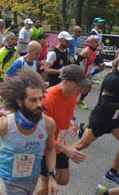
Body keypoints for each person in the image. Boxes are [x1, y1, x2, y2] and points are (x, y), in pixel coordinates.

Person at [0, 70, 58, 195]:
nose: (39, 104)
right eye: (33, 100)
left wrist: (52, 176)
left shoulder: (48, 124)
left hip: (32, 176)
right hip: (9, 177)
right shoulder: (5, 124)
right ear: (19, 102)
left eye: (41, 99)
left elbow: (50, 149)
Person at [75, 48, 119, 186]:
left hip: (114, 118)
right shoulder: (112, 79)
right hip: (101, 119)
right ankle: (56, 160)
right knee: (81, 145)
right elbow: (104, 105)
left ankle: (112, 173)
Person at [36, 65, 89, 195]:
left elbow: (68, 111)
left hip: (60, 145)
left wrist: (72, 121)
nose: (81, 89)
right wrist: (66, 149)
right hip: (45, 150)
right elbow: (39, 134)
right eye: (79, 85)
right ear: (65, 82)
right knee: (46, 186)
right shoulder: (47, 99)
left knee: (64, 180)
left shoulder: (72, 94)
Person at [76, 35, 99, 110]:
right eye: (94, 42)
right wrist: (80, 74)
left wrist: (89, 73)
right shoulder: (86, 51)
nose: (96, 43)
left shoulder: (93, 51)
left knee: (87, 87)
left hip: (86, 73)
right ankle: (75, 101)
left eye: (97, 42)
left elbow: (91, 63)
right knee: (81, 87)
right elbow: (78, 62)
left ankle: (79, 101)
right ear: (90, 43)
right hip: (81, 73)